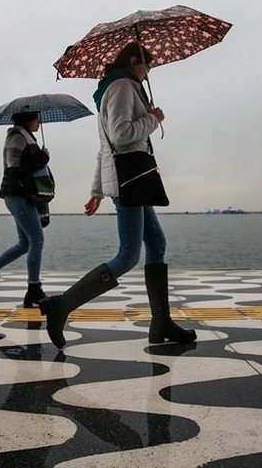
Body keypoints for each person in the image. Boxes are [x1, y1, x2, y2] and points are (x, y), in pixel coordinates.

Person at [40, 42, 197, 348]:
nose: (148, 72)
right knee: (128, 255)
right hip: (130, 181)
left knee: (157, 244)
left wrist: (97, 190)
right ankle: (62, 305)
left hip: (128, 180)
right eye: (147, 65)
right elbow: (121, 135)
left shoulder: (114, 88)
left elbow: (105, 148)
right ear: (134, 60)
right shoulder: (123, 87)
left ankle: (161, 322)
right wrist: (154, 118)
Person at [0, 110, 49, 306]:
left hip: (21, 196)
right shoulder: (17, 137)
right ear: (28, 119)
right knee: (37, 240)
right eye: (37, 117)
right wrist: (41, 159)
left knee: (25, 244)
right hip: (17, 195)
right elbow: (15, 171)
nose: (39, 121)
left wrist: (40, 157)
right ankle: (34, 288)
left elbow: (26, 166)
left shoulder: (24, 136)